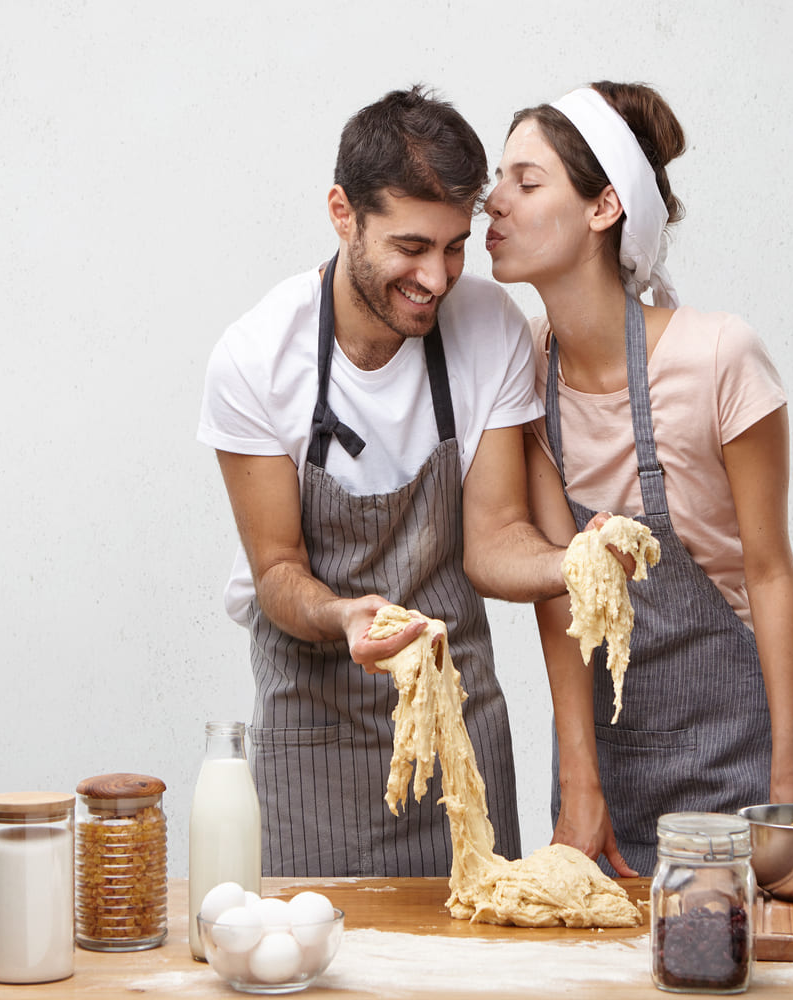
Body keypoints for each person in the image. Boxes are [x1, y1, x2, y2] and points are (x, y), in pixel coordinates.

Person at [197, 86, 577, 878]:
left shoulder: (488, 330)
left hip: (460, 742)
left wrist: (569, 563)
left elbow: (496, 538)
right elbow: (275, 571)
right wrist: (340, 616)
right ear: (343, 213)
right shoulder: (258, 359)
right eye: (411, 247)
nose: (437, 279)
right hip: (317, 738)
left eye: (454, 246)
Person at [483, 81, 793, 877]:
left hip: (738, 770)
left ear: (605, 208)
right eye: (499, 179)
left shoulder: (719, 357)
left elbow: (769, 574)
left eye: (526, 183)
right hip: (608, 774)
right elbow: (560, 590)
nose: (491, 202)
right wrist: (578, 782)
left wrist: (791, 784)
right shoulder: (523, 365)